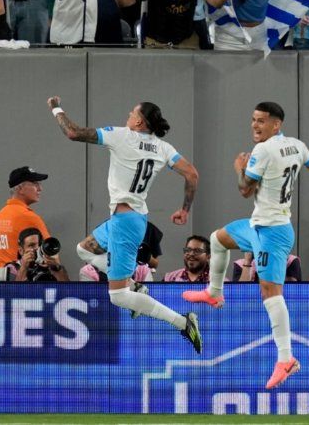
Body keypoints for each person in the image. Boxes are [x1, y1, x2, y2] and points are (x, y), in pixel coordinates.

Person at [183, 101, 309, 389]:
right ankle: (214, 293)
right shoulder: (296, 145)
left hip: (272, 232)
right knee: (218, 238)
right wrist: (298, 163)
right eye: (253, 120)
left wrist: (239, 166)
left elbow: (244, 188)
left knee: (271, 294)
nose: (255, 125)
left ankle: (286, 358)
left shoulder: (263, 150)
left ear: (276, 124)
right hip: (257, 224)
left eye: (261, 121)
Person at [47, 95, 203, 352]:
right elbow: (192, 174)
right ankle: (135, 287)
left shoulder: (122, 135)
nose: (127, 116)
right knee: (83, 249)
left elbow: (73, 133)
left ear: (139, 121)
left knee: (118, 297)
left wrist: (56, 108)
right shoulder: (164, 148)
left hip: (125, 224)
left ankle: (182, 322)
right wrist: (185, 209)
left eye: (132, 113)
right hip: (130, 218)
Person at [0, 166, 51, 267]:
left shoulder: (0, 215)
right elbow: (50, 251)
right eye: (35, 183)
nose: (40, 188)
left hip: (1, 275)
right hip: (22, 277)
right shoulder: (28, 216)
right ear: (20, 188)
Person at [6, 227, 70, 282]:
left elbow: (68, 292)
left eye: (40, 244)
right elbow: (11, 292)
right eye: (31, 245)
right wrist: (24, 268)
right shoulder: (12, 268)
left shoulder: (50, 265)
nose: (37, 248)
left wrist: (57, 268)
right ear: (21, 250)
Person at [233, 252, 301, 282]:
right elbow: (238, 291)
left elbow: (292, 289)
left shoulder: (290, 261)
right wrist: (247, 262)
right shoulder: (240, 264)